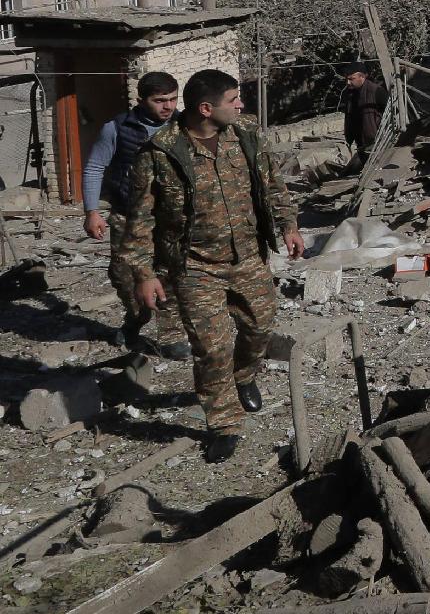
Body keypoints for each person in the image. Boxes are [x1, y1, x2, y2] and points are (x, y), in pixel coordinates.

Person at [118, 69, 305, 463]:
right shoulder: (161, 151)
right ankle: (223, 422)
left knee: (260, 327)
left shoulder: (246, 133)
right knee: (211, 347)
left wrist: (289, 225)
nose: (241, 105)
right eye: (233, 99)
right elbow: (140, 220)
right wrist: (144, 273)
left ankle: (245, 376)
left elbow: (272, 183)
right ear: (206, 109)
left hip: (249, 257)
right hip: (194, 268)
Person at [83, 71, 189, 360]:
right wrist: (92, 211)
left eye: (172, 99)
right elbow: (94, 168)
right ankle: (136, 318)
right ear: (141, 100)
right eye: (159, 101)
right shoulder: (117, 128)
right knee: (124, 277)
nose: (168, 107)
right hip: (127, 216)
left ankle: (171, 337)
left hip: (170, 220)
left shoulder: (186, 126)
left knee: (171, 276)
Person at [340, 65, 387, 162]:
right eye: (346, 79)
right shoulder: (350, 93)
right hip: (360, 140)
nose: (348, 82)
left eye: (351, 79)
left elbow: (390, 114)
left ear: (362, 77)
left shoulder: (376, 91)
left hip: (375, 140)